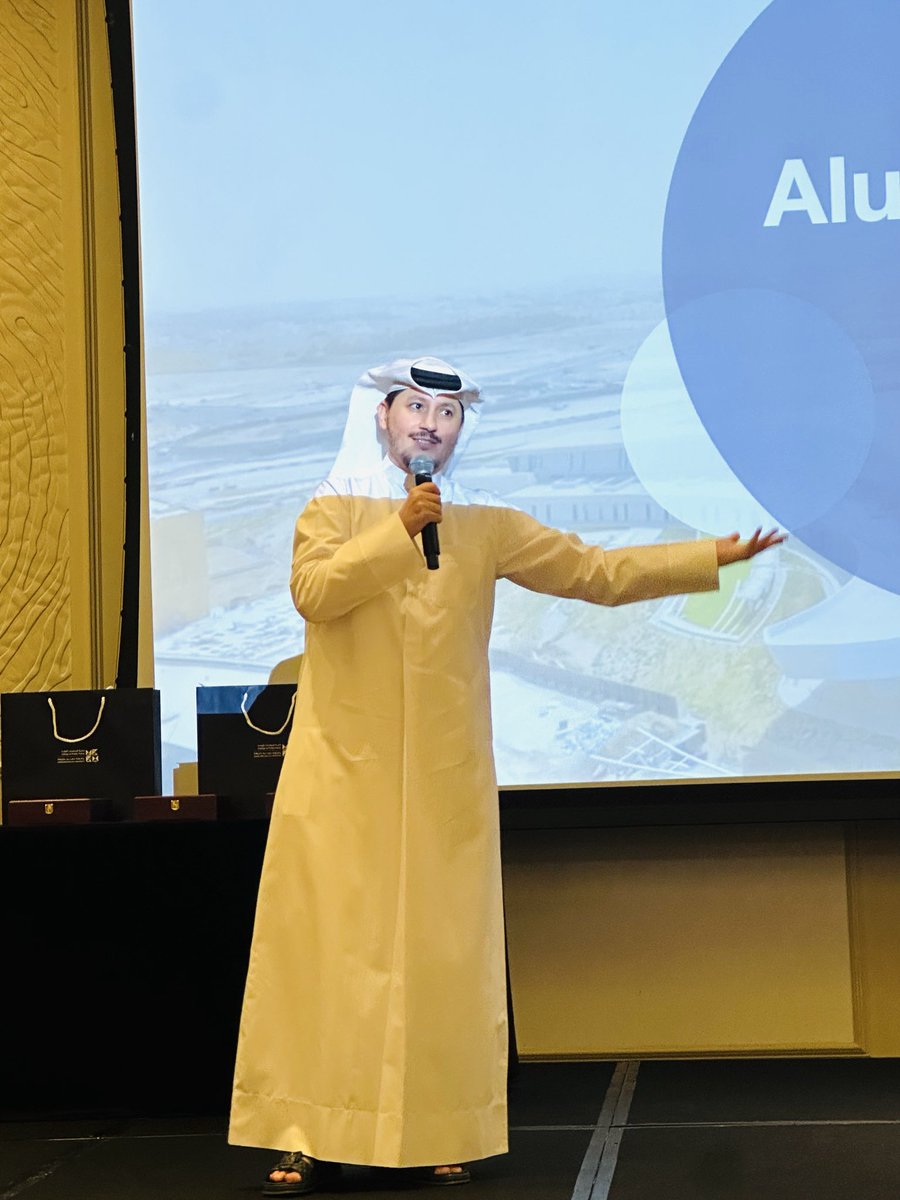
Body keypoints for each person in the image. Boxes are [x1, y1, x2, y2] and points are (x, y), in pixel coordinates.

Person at [228, 357, 784, 1194]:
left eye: (447, 414)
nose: (430, 425)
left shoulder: (485, 522)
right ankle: (304, 1128)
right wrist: (402, 529)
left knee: (443, 959)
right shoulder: (331, 507)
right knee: (327, 953)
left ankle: (439, 1125)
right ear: (380, 418)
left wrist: (710, 557)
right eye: (415, 408)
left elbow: (594, 573)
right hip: (342, 777)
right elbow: (317, 593)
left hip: (444, 781)